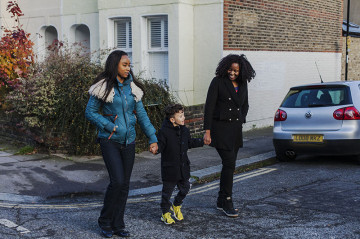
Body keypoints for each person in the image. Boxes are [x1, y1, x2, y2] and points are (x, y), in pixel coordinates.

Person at [85, 50, 158, 238]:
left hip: (129, 141)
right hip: (110, 141)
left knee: (124, 184)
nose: (128, 68)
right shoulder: (103, 87)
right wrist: (110, 126)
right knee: (117, 181)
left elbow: (141, 115)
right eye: (125, 64)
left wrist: (152, 137)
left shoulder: (132, 88)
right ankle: (105, 220)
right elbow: (90, 112)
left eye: (129, 65)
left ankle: (118, 224)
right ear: (115, 65)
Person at [203, 54, 255, 218]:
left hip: (235, 129)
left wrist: (241, 118)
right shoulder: (218, 81)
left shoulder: (243, 83)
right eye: (230, 69)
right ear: (225, 68)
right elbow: (209, 107)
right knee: (229, 164)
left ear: (241, 71)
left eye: (236, 70)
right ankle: (227, 201)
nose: (233, 73)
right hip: (220, 129)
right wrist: (207, 131)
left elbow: (245, 104)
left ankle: (220, 200)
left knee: (229, 165)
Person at [154, 104, 204, 224]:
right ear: (172, 119)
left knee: (186, 187)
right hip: (170, 169)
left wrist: (203, 141)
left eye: (183, 115)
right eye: (180, 116)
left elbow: (190, 143)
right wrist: (155, 148)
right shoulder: (164, 132)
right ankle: (165, 213)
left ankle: (176, 205)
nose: (183, 118)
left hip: (183, 167)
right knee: (167, 193)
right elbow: (160, 146)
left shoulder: (185, 130)